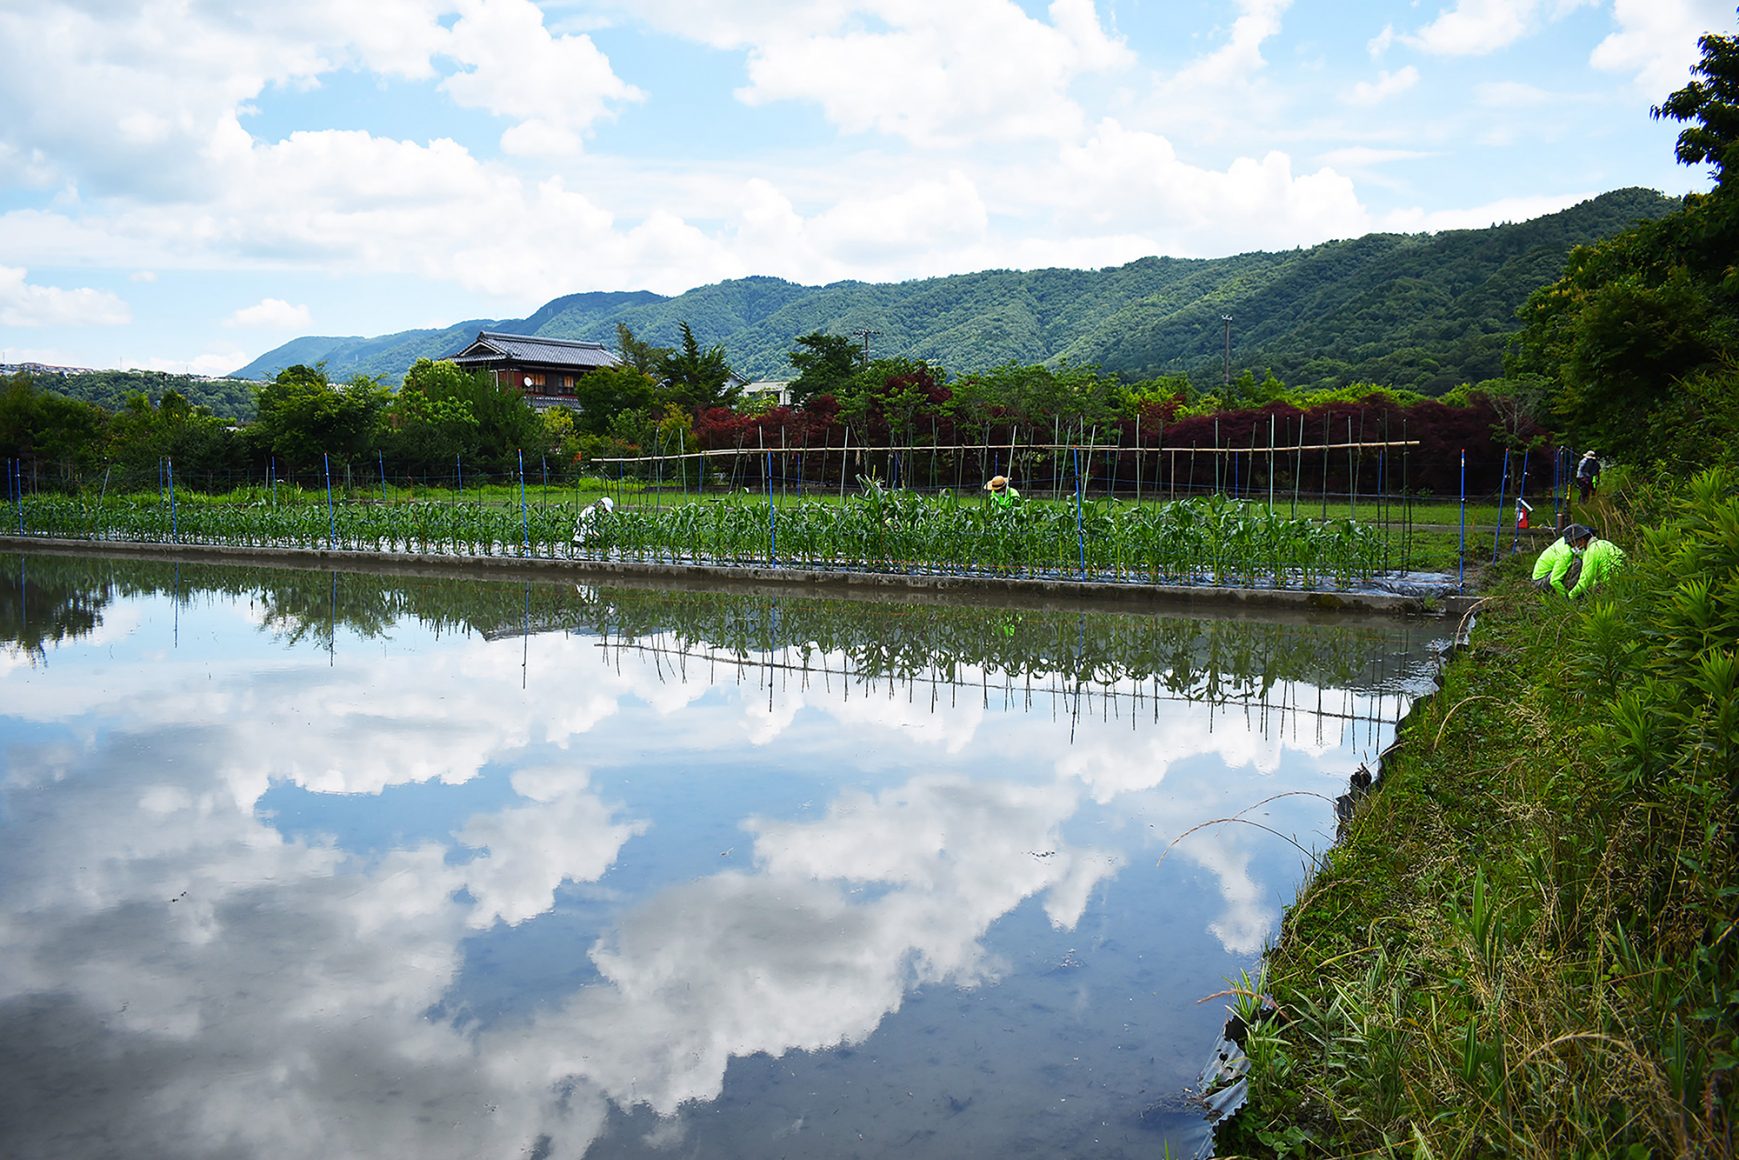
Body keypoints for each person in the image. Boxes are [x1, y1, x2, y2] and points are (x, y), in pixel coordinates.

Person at [1532, 523, 1593, 596]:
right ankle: (1570, 590)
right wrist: (1565, 596)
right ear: (1576, 540)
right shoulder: (1565, 554)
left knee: (1578, 561)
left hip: (1548, 575)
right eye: (1582, 540)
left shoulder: (1567, 542)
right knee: (1577, 563)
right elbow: (1554, 580)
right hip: (1541, 582)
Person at [1567, 531, 1625, 599]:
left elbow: (1586, 580)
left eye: (1575, 545)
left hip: (1609, 585)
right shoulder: (1605, 543)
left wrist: (1570, 596)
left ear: (1582, 540)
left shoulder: (1590, 552)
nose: (1576, 548)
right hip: (1623, 581)